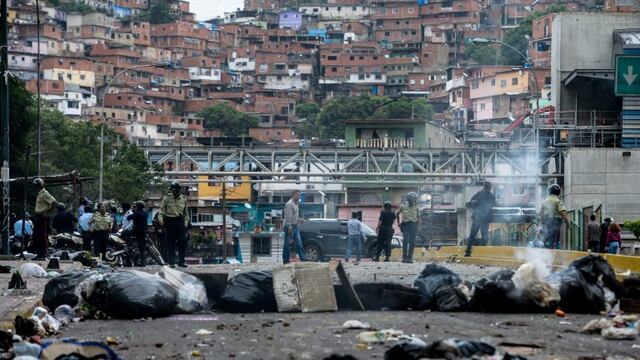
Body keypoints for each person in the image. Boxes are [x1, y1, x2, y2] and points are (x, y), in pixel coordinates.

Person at [159, 181, 189, 268]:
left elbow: (186, 214)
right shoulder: (166, 198)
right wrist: (161, 220)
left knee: (182, 242)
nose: (173, 191)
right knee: (170, 243)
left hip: (180, 222)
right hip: (170, 222)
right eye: (172, 189)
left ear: (178, 190)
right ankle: (172, 262)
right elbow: (161, 211)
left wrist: (186, 224)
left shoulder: (183, 199)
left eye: (175, 189)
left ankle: (181, 261)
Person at [465, 182, 496, 257]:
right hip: (484, 219)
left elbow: (471, 203)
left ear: (484, 187)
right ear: (490, 188)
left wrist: (472, 204)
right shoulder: (491, 196)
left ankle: (468, 252)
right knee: (484, 237)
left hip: (477, 218)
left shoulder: (479, 194)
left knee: (472, 236)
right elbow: (493, 206)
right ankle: (482, 253)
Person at [539, 184, 570, 249]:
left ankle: (545, 251)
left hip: (547, 221)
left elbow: (541, 214)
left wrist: (542, 223)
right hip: (556, 221)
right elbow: (563, 214)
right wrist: (568, 225)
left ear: (550, 192)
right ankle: (553, 252)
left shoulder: (544, 202)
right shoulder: (558, 201)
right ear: (559, 192)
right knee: (555, 239)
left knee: (548, 237)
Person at [33, 178, 57, 259]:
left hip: (43, 218)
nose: (36, 187)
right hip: (38, 217)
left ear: (41, 185)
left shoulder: (45, 193)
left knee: (43, 236)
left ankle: (43, 254)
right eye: (35, 186)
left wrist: (47, 213)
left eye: (38, 186)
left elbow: (54, 203)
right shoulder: (40, 194)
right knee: (37, 236)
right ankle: (39, 253)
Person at [282, 190, 307, 264]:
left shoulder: (296, 203)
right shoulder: (290, 204)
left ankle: (304, 259)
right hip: (290, 226)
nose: (299, 197)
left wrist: (299, 220)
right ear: (293, 195)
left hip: (295, 226)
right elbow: (288, 217)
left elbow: (293, 217)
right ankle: (285, 261)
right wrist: (289, 226)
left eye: (299, 195)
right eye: (298, 195)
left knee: (299, 243)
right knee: (287, 244)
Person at [397, 191, 419, 263]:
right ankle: (404, 258)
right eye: (413, 199)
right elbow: (397, 213)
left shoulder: (417, 207)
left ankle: (409, 258)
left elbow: (419, 218)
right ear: (410, 199)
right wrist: (398, 223)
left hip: (413, 225)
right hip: (405, 225)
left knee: (412, 242)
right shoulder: (403, 206)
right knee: (405, 241)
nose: (414, 200)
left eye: (415, 199)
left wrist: (418, 227)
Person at [127, 201, 148, 266]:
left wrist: (133, 212)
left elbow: (128, 217)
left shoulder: (137, 213)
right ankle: (142, 262)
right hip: (143, 231)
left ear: (138, 207)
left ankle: (129, 245)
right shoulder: (145, 213)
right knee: (142, 247)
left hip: (136, 231)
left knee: (124, 233)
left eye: (136, 206)